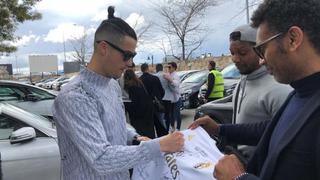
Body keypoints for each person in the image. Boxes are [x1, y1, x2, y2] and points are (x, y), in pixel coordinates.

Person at [190, 0, 320, 179]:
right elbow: (271, 129)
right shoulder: (299, 93)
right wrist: (220, 129)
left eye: (261, 49)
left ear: (293, 39)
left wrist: (238, 178)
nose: (262, 60)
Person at [52, 6, 184, 180]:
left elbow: (118, 124)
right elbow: (101, 158)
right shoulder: (75, 96)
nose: (130, 63)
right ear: (104, 48)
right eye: (127, 55)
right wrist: (159, 145)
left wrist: (134, 137)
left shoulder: (113, 86)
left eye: (133, 56)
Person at [230, 24, 292, 157]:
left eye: (242, 53)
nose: (235, 59)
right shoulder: (242, 82)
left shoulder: (279, 88)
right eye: (232, 53)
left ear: (261, 50)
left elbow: (286, 144)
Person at [124, 68, 155, 138]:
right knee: (149, 131)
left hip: (140, 114)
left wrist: (126, 105)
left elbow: (135, 103)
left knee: (141, 133)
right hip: (148, 109)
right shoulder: (139, 82)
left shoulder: (131, 86)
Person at [139, 63, 168, 137]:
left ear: (141, 70)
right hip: (157, 104)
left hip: (145, 106)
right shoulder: (155, 78)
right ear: (147, 69)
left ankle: (152, 138)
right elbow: (161, 91)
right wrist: (159, 99)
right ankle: (163, 137)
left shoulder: (139, 80)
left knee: (149, 124)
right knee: (161, 122)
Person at [163, 62, 181, 132]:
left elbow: (176, 84)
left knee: (177, 114)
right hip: (170, 98)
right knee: (171, 114)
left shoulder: (175, 75)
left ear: (174, 68)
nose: (168, 68)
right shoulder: (168, 74)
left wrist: (170, 80)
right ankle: (172, 127)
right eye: (167, 67)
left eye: (169, 67)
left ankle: (178, 128)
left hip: (176, 98)